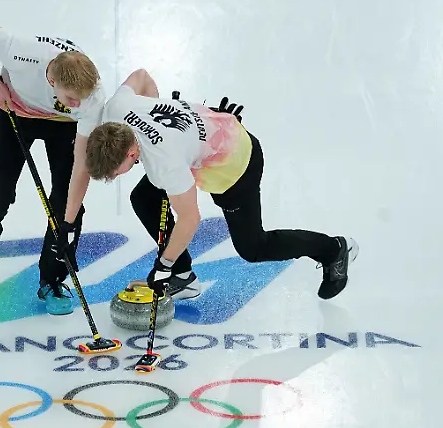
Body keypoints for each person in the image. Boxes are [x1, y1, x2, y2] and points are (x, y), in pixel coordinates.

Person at [74, 68, 358, 300]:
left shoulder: (165, 164)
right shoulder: (117, 108)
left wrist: (163, 266)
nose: (116, 177)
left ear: (132, 153)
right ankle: (183, 277)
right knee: (144, 198)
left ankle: (333, 248)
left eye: (116, 172)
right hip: (208, 135)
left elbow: (190, 218)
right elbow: (142, 76)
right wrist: (154, 110)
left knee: (253, 248)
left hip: (236, 165)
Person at [0, 14, 106, 315]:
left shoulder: (90, 99)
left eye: (83, 99)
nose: (80, 103)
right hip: (16, 113)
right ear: (52, 80)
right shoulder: (20, 52)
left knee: (66, 203)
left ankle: (52, 278)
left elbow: (82, 163)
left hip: (65, 126)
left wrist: (68, 222)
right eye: (71, 98)